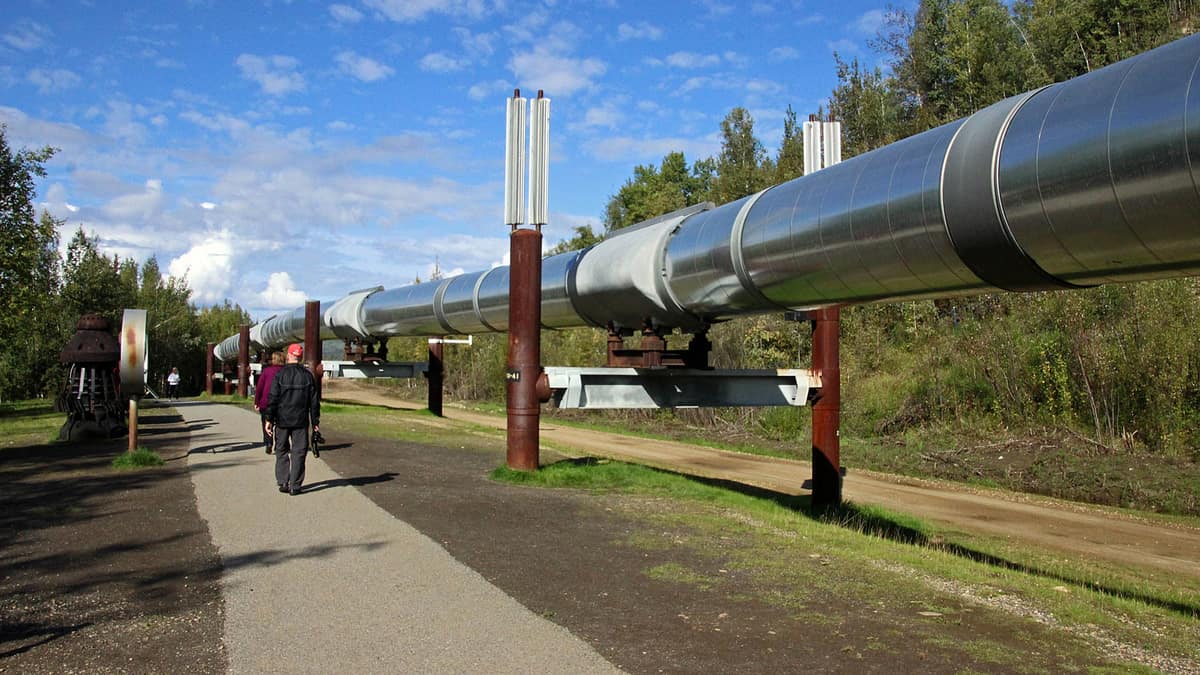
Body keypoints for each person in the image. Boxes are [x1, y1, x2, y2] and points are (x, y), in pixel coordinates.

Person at [264, 343, 320, 496]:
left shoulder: (279, 375)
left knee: (281, 450)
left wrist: (269, 419)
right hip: (300, 421)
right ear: (300, 357)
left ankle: (283, 481)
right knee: (299, 452)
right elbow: (314, 402)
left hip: (282, 420)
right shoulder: (308, 376)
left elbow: (273, 398)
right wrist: (315, 422)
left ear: (288, 356)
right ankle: (295, 485)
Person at [253, 351, 285, 454]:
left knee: (266, 422)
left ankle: (268, 442)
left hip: (266, 402)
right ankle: (278, 444)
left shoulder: (266, 371)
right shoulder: (285, 371)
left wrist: (257, 401)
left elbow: (260, 387)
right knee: (279, 424)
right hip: (281, 403)